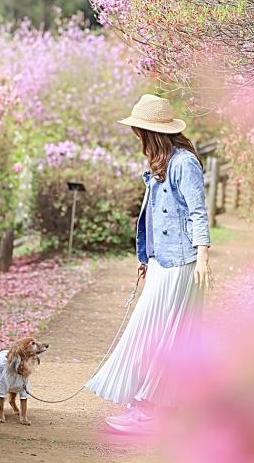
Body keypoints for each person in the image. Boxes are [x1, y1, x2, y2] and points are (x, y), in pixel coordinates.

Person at [85, 93, 212, 435]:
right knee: (151, 332)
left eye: (139, 129)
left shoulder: (184, 163)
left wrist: (202, 257)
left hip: (182, 263)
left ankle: (150, 409)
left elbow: (198, 212)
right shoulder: (160, 163)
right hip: (162, 262)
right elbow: (156, 218)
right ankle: (149, 405)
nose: (135, 135)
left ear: (152, 132)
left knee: (159, 334)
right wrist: (146, 258)